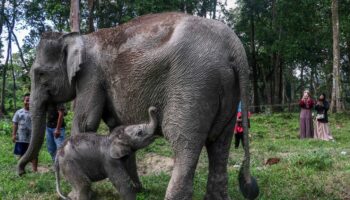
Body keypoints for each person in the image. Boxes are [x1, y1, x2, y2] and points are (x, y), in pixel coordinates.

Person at [12, 93, 38, 172]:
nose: (28, 102)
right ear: (23, 101)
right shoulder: (19, 112)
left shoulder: (35, 112)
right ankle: (20, 169)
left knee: (34, 154)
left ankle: (35, 170)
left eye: (30, 101)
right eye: (27, 100)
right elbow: (15, 123)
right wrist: (13, 134)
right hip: (21, 138)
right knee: (21, 154)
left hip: (32, 138)